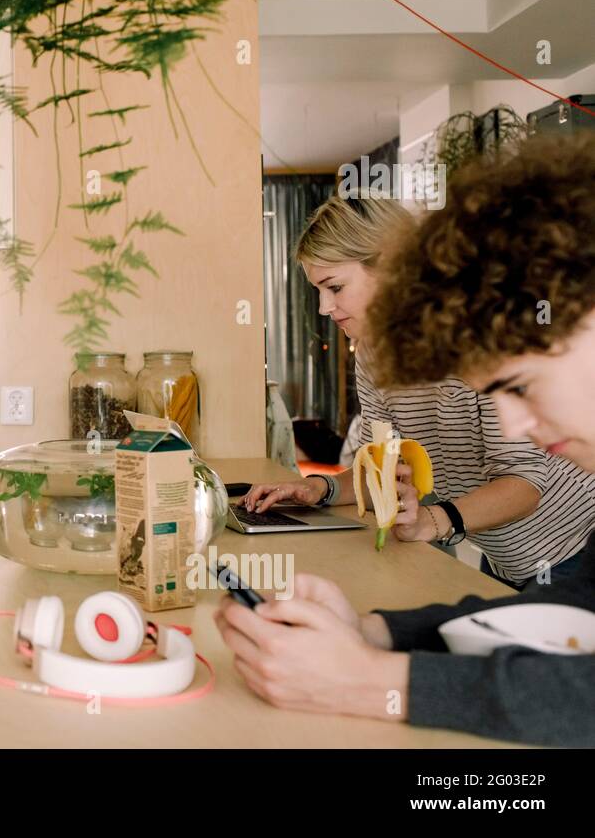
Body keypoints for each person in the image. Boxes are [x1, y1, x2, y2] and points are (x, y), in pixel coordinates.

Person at [215, 132, 595, 745]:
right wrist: (375, 631)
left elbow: (575, 693)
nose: (514, 425)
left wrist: (372, 679)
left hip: (553, 542)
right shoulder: (379, 356)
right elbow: (567, 617)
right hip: (524, 562)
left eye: (521, 386)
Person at [241, 192, 595, 588]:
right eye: (318, 290)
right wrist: (315, 489)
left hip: (574, 546)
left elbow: (523, 484)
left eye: (335, 287)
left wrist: (433, 520)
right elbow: (380, 469)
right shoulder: (373, 351)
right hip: (503, 555)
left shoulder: (482, 338)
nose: (325, 307)